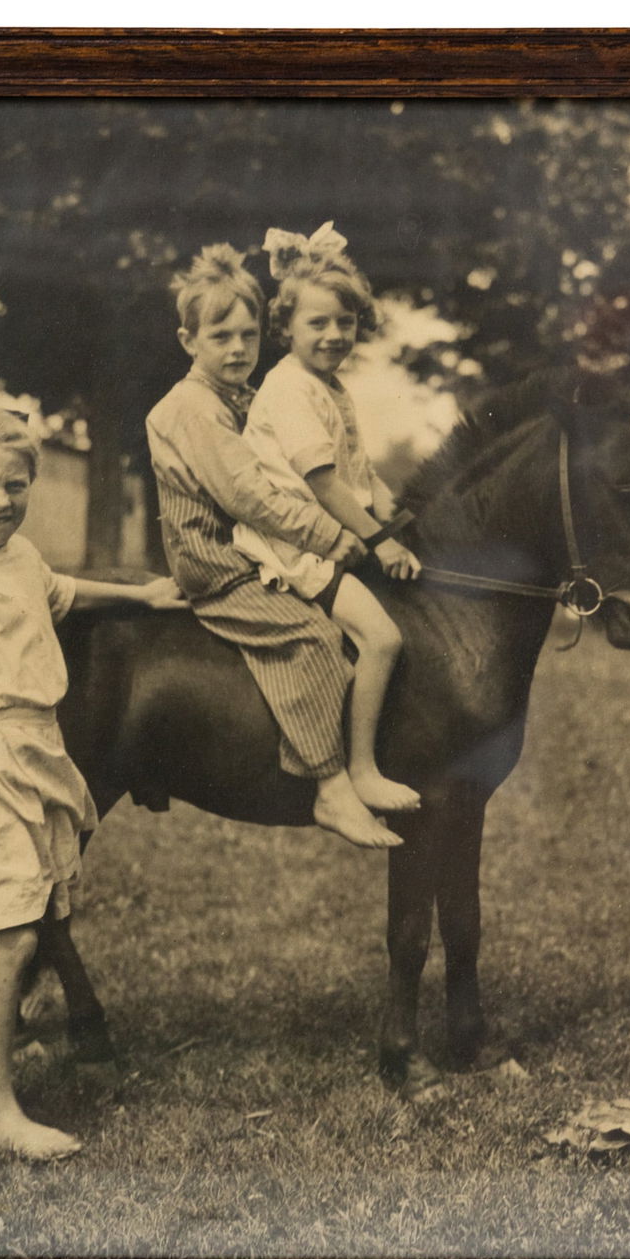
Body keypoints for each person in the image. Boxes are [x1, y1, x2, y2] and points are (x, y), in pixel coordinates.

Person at [0, 402, 184, 1159]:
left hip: (31, 759)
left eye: (15, 485)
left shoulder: (16, 558)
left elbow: (59, 590)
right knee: (13, 939)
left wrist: (142, 595)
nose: (0, 502)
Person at [145, 243, 401, 850]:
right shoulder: (191, 409)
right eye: (220, 336)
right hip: (218, 561)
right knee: (308, 636)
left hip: (250, 548)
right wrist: (333, 538)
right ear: (189, 342)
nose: (237, 349)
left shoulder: (239, 397)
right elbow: (251, 499)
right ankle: (332, 788)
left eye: (248, 335)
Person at [234, 223, 422, 814]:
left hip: (332, 535)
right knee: (384, 637)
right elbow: (322, 481)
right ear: (284, 328)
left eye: (345, 322)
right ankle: (360, 769)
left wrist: (403, 524)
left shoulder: (329, 387)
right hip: (294, 544)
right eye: (317, 323)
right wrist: (379, 542)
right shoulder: (289, 388)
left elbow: (363, 476)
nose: (334, 334)